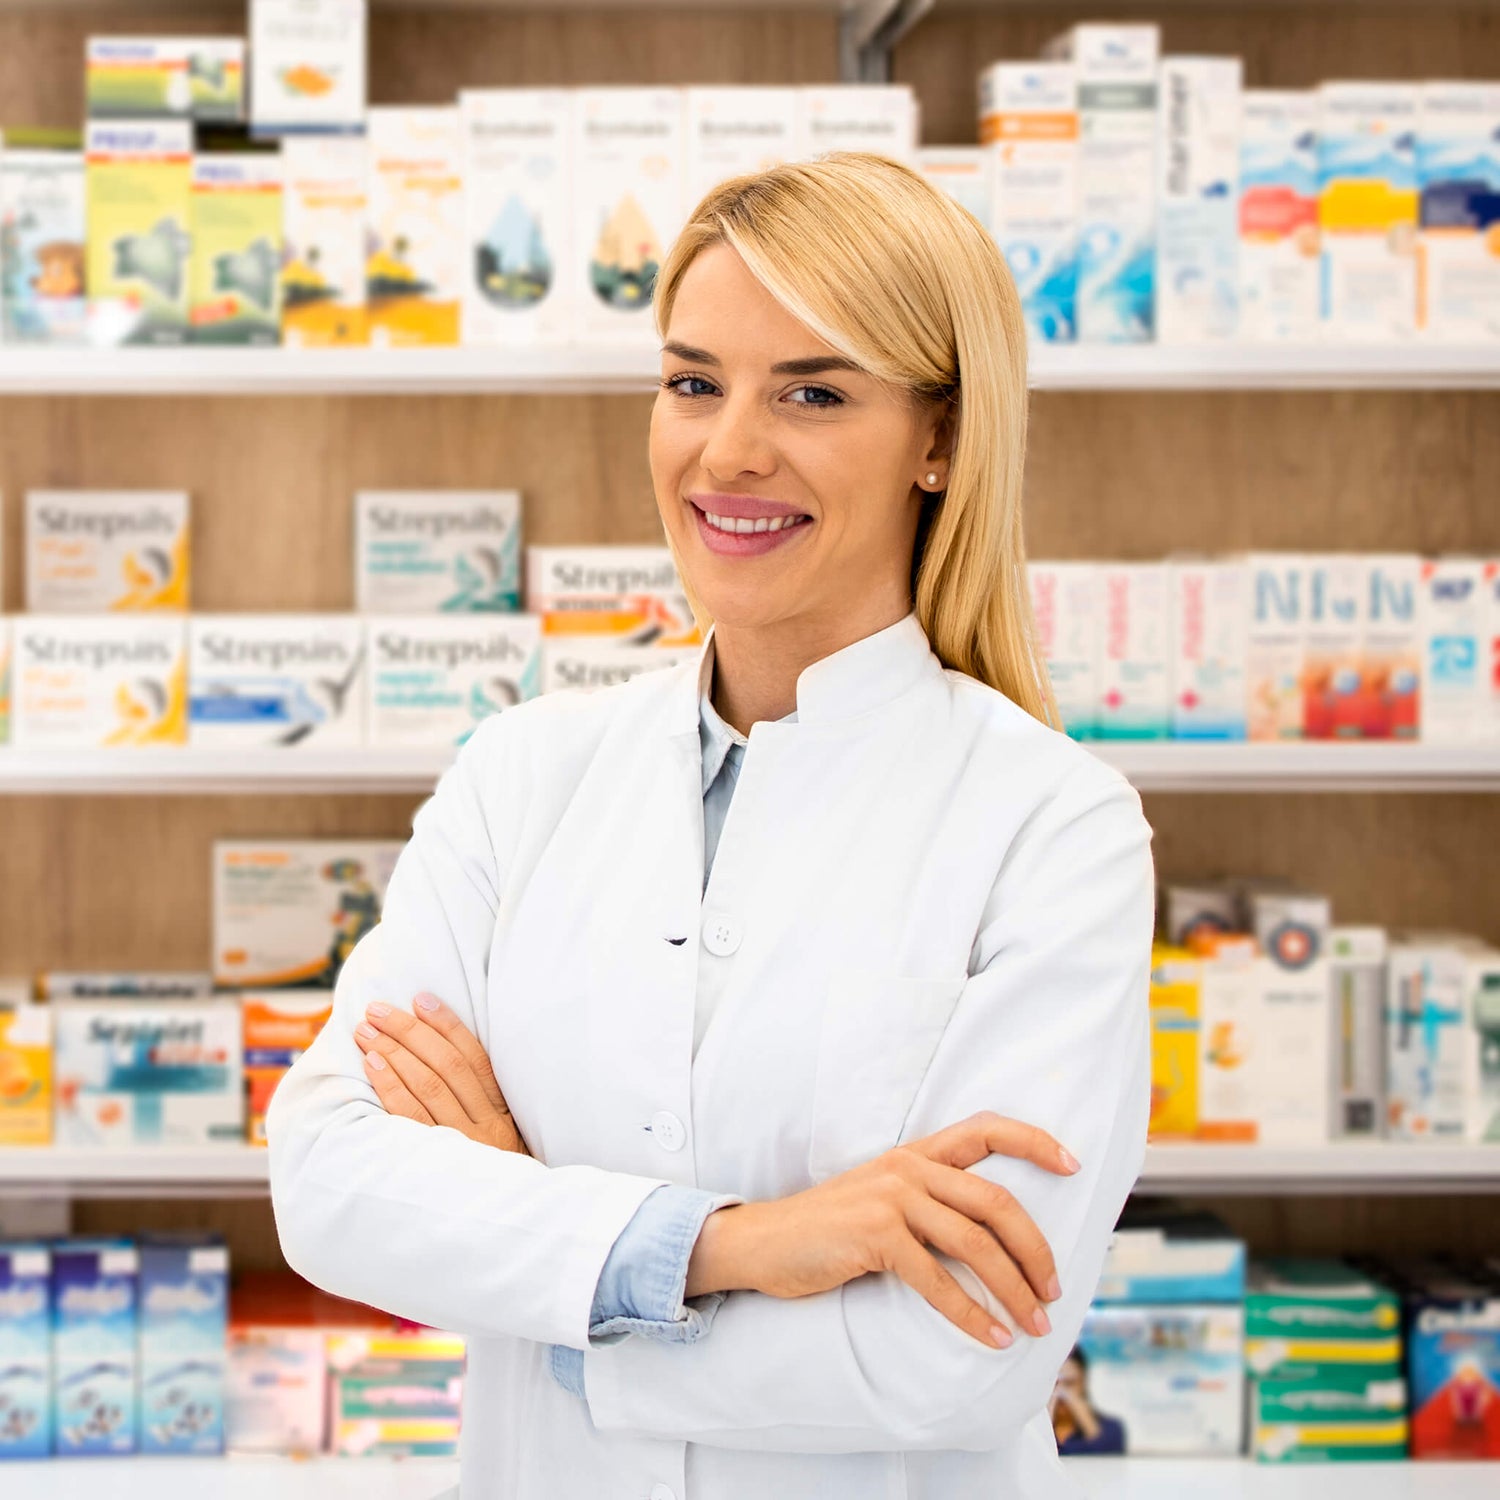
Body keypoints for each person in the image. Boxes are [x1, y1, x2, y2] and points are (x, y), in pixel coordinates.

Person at [268, 151, 1155, 1500]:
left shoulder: (1049, 825)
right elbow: (329, 1182)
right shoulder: (523, 777)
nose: (727, 449)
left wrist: (549, 1269)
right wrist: (733, 1247)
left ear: (942, 440)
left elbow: (965, 1350)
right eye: (694, 382)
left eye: (813, 390)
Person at [1050, 1346, 1128, 1456]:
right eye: (1055, 1385)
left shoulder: (1112, 1428)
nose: (1061, 1394)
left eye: (1069, 1383)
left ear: (1083, 1383)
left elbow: (1108, 1454)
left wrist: (1084, 1418)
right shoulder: (1030, 1431)